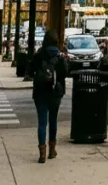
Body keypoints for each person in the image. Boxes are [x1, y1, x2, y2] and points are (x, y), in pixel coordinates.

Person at [29, 33, 68, 163]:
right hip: (55, 93)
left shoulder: (38, 55)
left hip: (40, 92)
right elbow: (65, 73)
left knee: (42, 122)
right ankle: (52, 150)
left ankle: (42, 153)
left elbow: (30, 71)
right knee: (53, 120)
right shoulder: (60, 56)